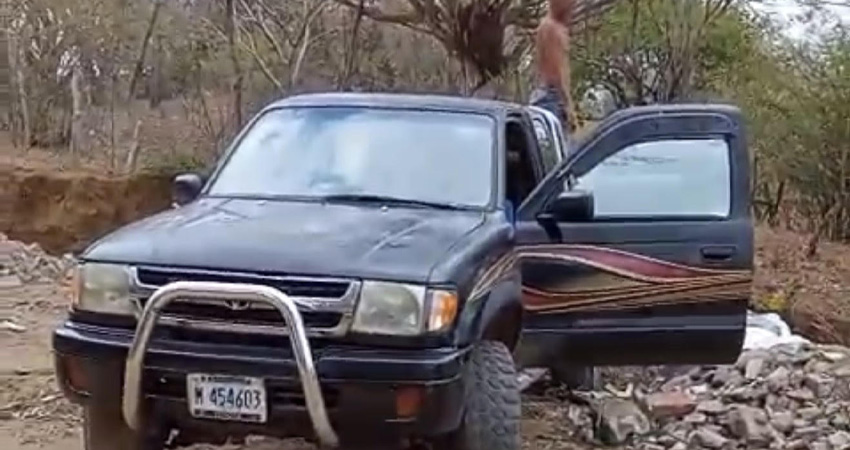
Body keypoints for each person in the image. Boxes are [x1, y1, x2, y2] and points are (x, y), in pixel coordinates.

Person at [530, 0, 576, 133]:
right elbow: (557, 70)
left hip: (549, 95)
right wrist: (568, 104)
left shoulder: (553, 27)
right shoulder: (552, 29)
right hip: (552, 96)